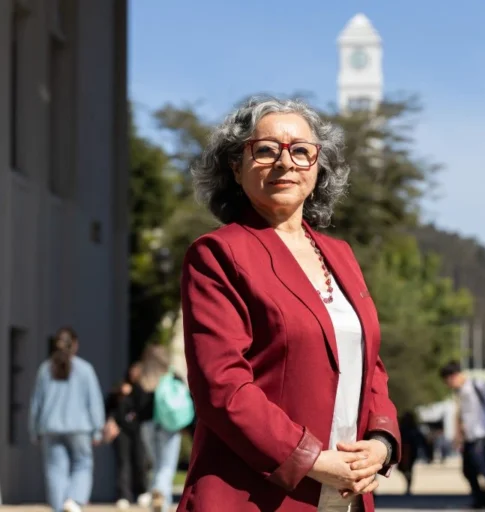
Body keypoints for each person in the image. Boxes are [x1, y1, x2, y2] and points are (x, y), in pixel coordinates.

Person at [177, 97, 401, 512]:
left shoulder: (341, 256)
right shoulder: (217, 255)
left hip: (345, 496)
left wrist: (382, 441)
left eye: (301, 150)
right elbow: (221, 386)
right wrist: (311, 458)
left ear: (318, 166)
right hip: (254, 497)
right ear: (235, 166)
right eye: (265, 150)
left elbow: (371, 365)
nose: (285, 163)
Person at [28, 327, 105, 512]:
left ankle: (60, 508)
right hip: (80, 428)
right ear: (75, 345)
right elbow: (94, 402)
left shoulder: (45, 369)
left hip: (50, 427)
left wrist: (34, 430)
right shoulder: (85, 369)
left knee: (55, 470)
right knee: (83, 464)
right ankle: (74, 499)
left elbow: (36, 403)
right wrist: (98, 429)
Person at [440, 361, 485, 509]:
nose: (448, 385)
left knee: (484, 468)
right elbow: (461, 415)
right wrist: (458, 435)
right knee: (468, 471)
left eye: (447, 381)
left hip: (484, 433)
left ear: (454, 376)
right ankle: (480, 499)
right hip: (470, 437)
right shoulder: (460, 392)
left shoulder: (477, 385)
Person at [137, 344, 189, 512]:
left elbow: (135, 404)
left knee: (157, 464)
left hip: (147, 426)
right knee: (167, 465)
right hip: (169, 426)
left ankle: (156, 495)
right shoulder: (173, 376)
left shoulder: (143, 377)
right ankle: (160, 495)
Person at [104, 363, 151, 509]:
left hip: (137, 430)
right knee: (123, 463)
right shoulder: (119, 387)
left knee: (140, 460)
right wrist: (120, 392)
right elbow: (109, 405)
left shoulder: (142, 389)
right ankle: (124, 495)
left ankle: (142, 491)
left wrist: (134, 391)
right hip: (121, 430)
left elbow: (145, 408)